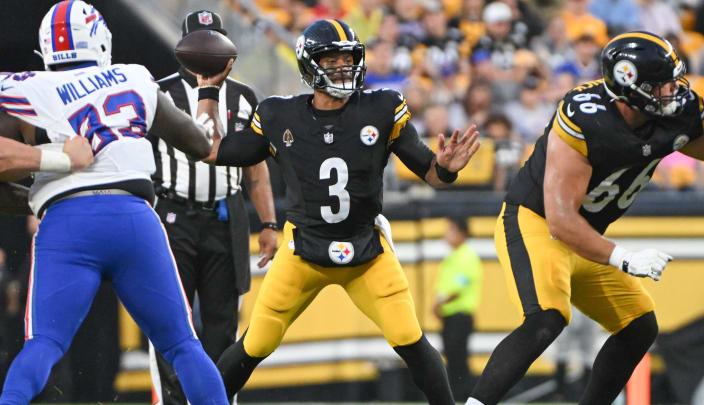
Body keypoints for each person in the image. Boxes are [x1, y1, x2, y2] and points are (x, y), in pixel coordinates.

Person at [205, 19, 480, 404]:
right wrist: (208, 90)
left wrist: (447, 167)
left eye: (347, 58)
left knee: (409, 338)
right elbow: (216, 150)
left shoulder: (382, 107)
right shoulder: (279, 116)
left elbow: (432, 172)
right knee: (258, 342)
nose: (342, 67)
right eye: (331, 59)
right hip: (304, 251)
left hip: (366, 250)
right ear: (309, 66)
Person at [466, 31, 704, 405]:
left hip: (585, 233)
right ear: (633, 88)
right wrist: (624, 257)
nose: (674, 92)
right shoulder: (586, 116)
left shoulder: (674, 114)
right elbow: (560, 220)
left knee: (638, 327)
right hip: (537, 222)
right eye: (663, 84)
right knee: (546, 318)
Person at [0, 1, 233, 404]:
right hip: (134, 220)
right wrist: (208, 90)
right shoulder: (133, 77)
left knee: (43, 345)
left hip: (66, 225)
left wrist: (38, 197)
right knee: (182, 345)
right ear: (101, 39)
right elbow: (201, 144)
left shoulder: (27, 87)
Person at [146, 11, 277, 405]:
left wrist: (269, 221)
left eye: (214, 40)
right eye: (199, 41)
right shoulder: (157, 92)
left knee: (223, 327)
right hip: (173, 213)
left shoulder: (243, 95)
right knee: (171, 321)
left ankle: (220, 400)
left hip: (225, 214)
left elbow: (256, 167)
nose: (207, 49)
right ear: (183, 49)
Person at [433, 216, 483, 399]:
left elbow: (459, 286)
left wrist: (439, 303)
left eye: (451, 230)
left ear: (462, 233)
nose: (446, 235)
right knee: (453, 359)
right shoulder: (454, 256)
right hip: (451, 317)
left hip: (460, 317)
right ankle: (458, 395)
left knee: (459, 359)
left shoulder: (467, 256)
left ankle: (464, 395)